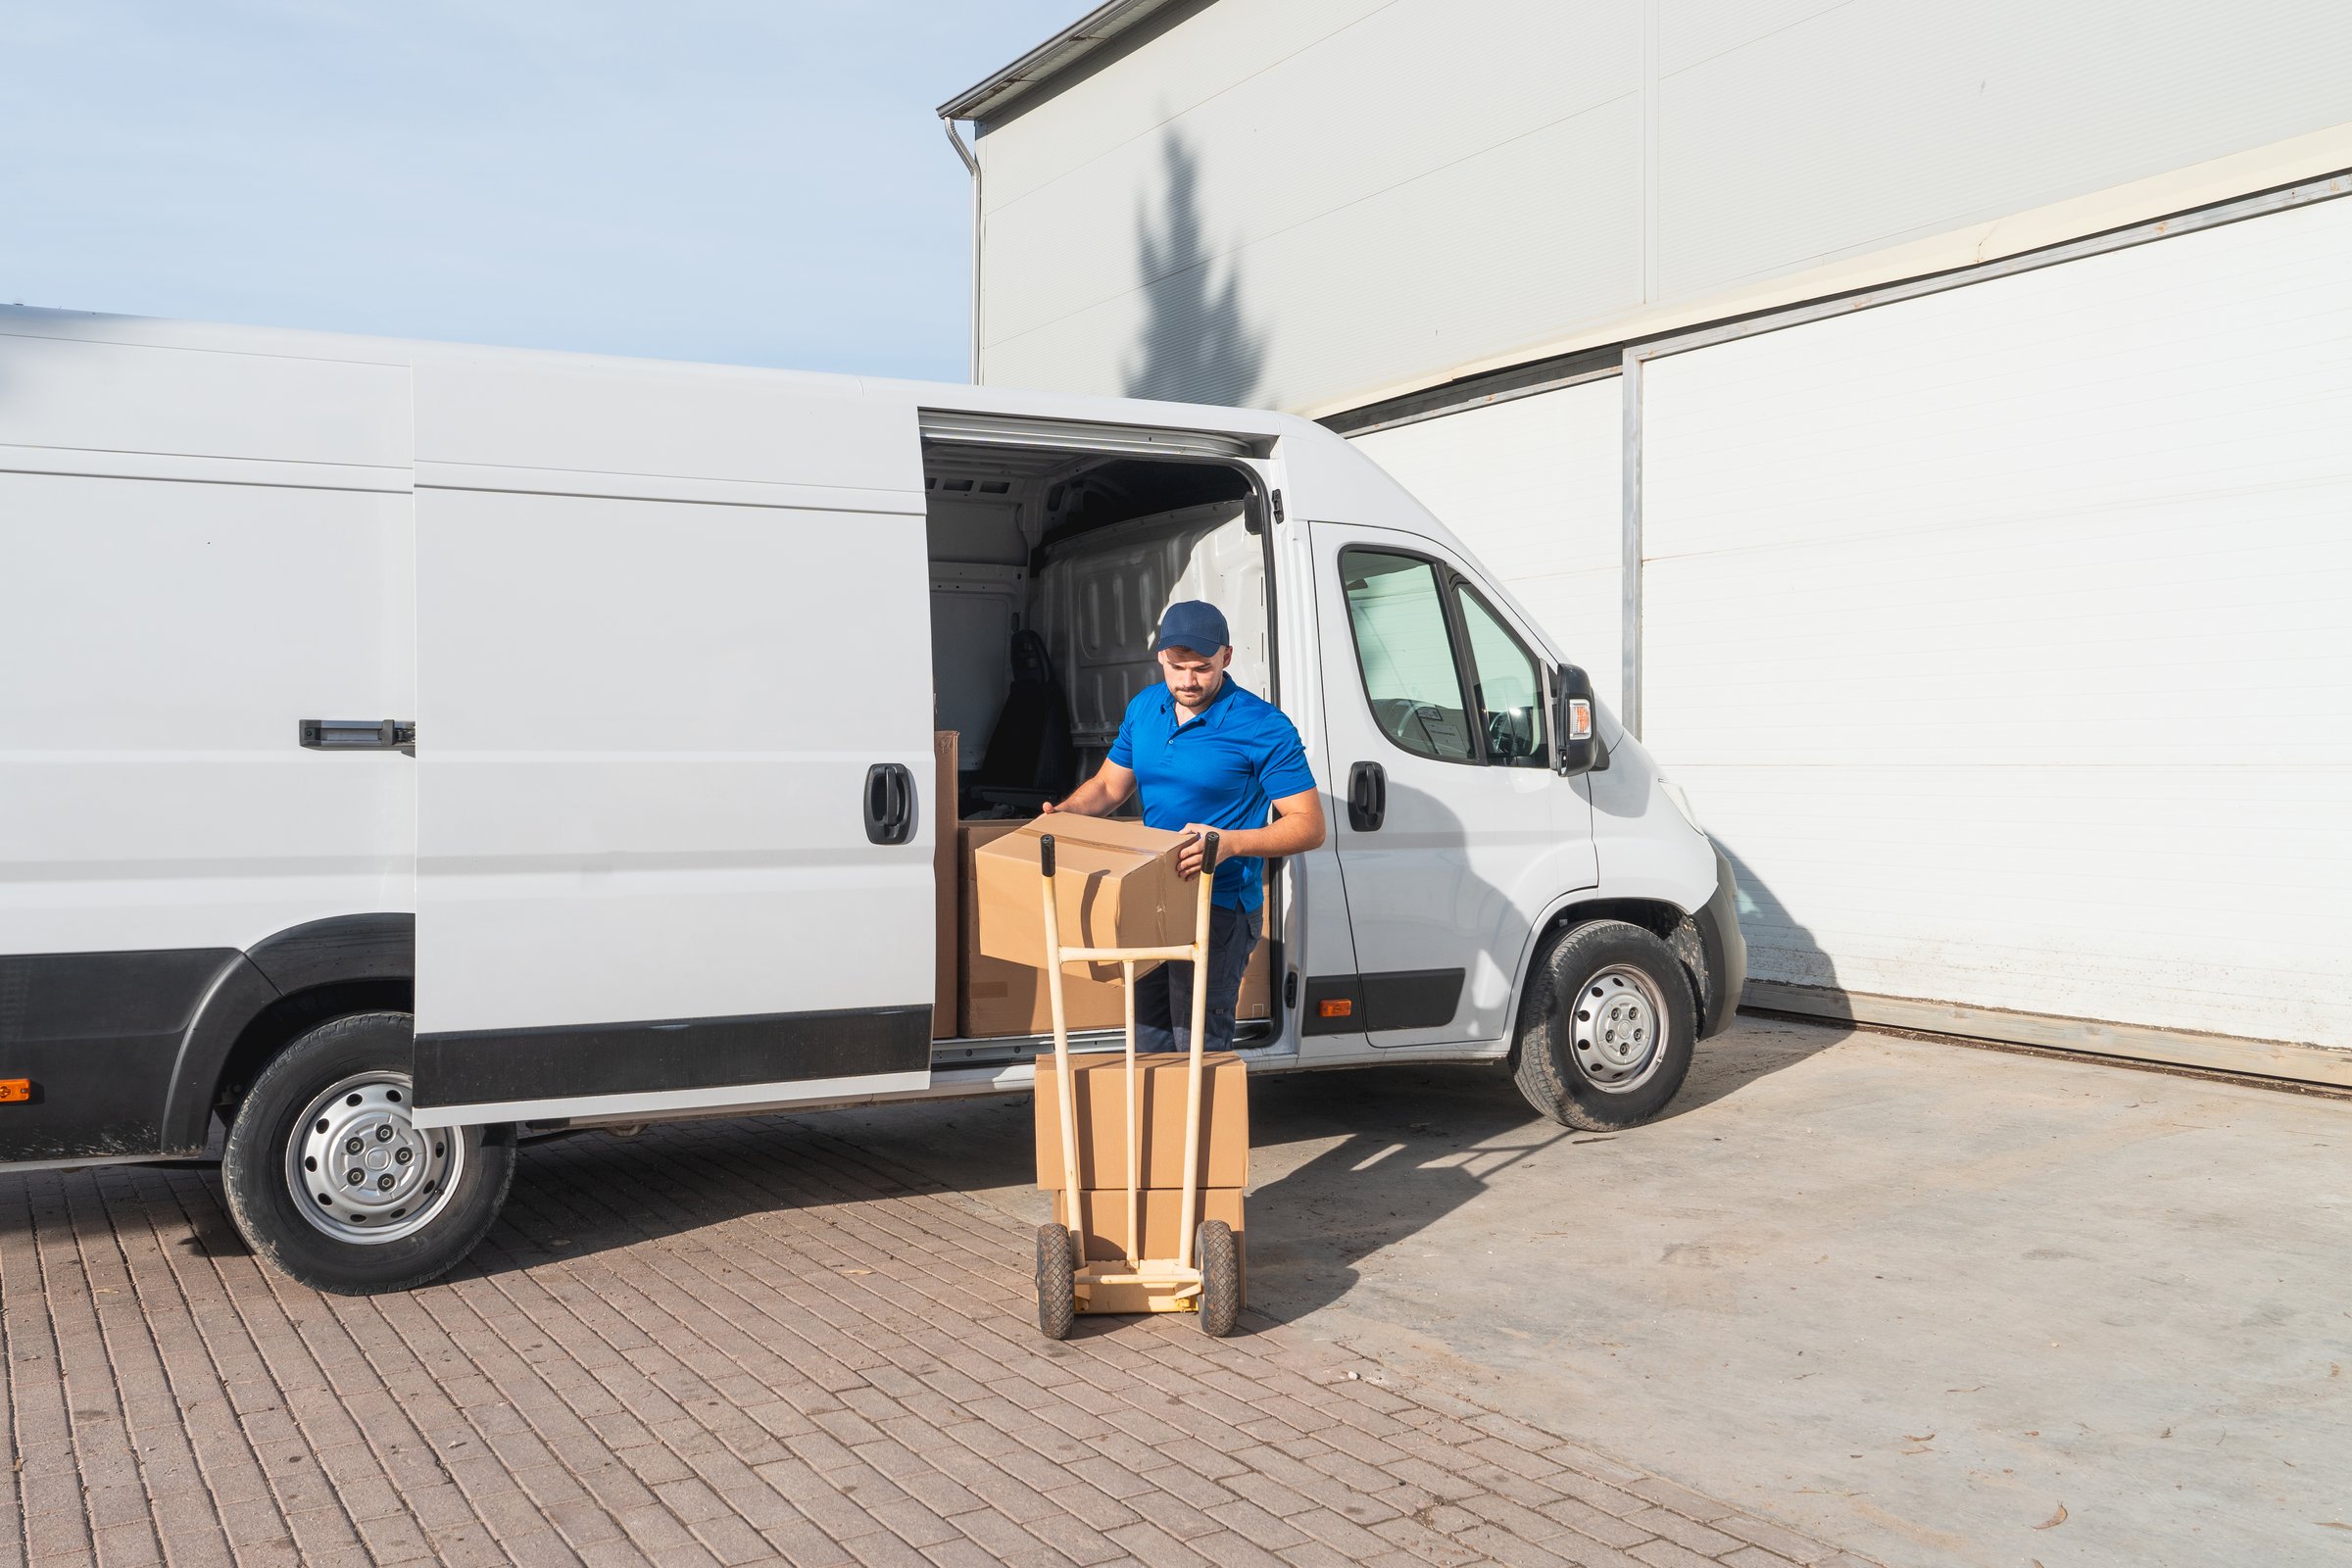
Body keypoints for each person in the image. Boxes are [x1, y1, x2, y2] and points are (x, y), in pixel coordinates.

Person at [1043, 600, 1325, 1054]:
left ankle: (1204, 1127)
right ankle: (1158, 1126)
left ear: (1227, 658)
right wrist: (1063, 813)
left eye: (1202, 668)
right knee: (1149, 1040)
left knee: (1197, 1048)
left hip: (1218, 908)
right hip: (1151, 898)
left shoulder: (1263, 726)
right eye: (1177, 668)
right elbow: (1109, 788)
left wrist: (1228, 843)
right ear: (1160, 659)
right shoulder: (1144, 707)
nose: (1188, 681)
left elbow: (1309, 826)